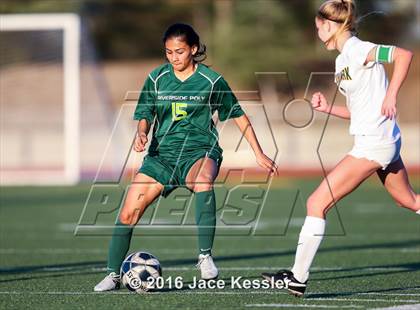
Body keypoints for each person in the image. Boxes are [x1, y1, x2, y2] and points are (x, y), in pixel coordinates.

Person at [94, 23, 277, 292]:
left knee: (203, 181)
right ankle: (113, 273)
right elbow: (145, 113)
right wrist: (141, 133)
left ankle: (205, 256)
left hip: (199, 151)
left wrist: (258, 152)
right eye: (168, 52)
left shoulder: (211, 80)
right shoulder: (156, 78)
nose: (174, 57)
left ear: (193, 49)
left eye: (179, 51)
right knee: (128, 212)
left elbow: (237, 114)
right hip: (162, 156)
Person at [262, 0, 419, 297]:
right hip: (378, 139)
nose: (317, 30)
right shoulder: (341, 61)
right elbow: (359, 110)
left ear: (332, 26)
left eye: (319, 25)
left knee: (315, 203)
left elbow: (403, 54)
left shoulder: (359, 49)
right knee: (410, 201)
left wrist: (392, 95)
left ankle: (297, 278)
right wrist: (328, 109)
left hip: (375, 142)